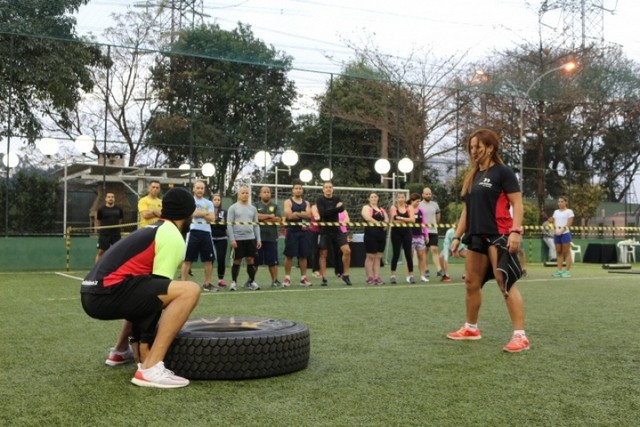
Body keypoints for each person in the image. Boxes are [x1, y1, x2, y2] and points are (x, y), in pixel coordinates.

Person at [81, 187, 200, 388]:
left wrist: (135, 339)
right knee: (189, 290)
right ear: (187, 213)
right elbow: (156, 299)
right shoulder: (172, 235)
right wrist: (144, 343)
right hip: (106, 293)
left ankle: (119, 352)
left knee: (141, 288)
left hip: (92, 293)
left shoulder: (153, 228)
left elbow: (144, 293)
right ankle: (151, 368)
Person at [448, 128, 528, 353]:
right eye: (471, 147)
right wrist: (456, 236)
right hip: (475, 236)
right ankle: (471, 328)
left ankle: (520, 336)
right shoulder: (473, 175)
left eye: (478, 147)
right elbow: (467, 209)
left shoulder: (503, 172)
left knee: (505, 283)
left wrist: (515, 231)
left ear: (490, 147)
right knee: (471, 283)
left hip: (499, 234)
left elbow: (517, 204)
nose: (474, 151)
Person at [180, 180, 216, 291]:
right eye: (198, 188)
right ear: (194, 189)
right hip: (192, 233)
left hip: (206, 233)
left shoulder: (209, 203)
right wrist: (205, 213)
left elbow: (212, 218)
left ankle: (207, 284)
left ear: (204, 190)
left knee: (208, 260)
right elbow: (191, 214)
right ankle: (183, 284)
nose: (200, 190)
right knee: (187, 260)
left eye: (202, 188)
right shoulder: (189, 201)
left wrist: (199, 213)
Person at [316, 181, 352, 286]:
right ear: (323, 189)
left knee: (347, 251)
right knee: (323, 254)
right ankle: (324, 278)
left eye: (330, 187)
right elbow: (323, 213)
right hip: (324, 230)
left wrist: (332, 210)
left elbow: (342, 209)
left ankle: (346, 275)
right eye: (326, 187)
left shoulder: (337, 198)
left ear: (333, 189)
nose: (328, 189)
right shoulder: (320, 199)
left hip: (337, 229)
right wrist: (336, 209)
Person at [227, 185, 262, 291]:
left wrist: (258, 239)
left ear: (249, 194)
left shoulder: (253, 209)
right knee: (237, 260)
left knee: (250, 260)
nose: (245, 195)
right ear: (238, 194)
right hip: (237, 238)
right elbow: (229, 225)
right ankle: (234, 282)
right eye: (243, 193)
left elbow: (256, 225)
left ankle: (251, 282)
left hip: (250, 238)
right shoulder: (233, 208)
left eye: (247, 193)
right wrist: (232, 239)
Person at [283, 182, 313, 287]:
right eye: (296, 188)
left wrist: (297, 213)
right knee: (289, 255)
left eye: (300, 188)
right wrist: (301, 214)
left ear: (302, 190)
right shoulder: (288, 202)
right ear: (293, 190)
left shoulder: (307, 202)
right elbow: (289, 216)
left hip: (304, 231)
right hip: (292, 231)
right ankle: (287, 278)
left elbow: (309, 215)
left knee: (303, 255)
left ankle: (303, 278)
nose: (298, 190)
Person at [254, 186, 282, 288]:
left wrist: (262, 218)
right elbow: (255, 216)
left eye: (268, 192)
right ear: (260, 194)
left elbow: (278, 219)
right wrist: (269, 216)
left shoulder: (275, 206)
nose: (266, 194)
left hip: (271, 237)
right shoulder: (255, 205)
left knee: (273, 261)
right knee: (255, 261)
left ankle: (275, 281)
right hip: (258, 238)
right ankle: (251, 280)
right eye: (264, 192)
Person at [361, 192, 388, 285]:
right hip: (370, 234)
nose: (374, 198)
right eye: (372, 197)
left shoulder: (382, 210)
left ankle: (377, 277)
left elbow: (387, 220)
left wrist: (385, 225)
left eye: (375, 197)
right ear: (369, 199)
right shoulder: (366, 207)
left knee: (378, 257)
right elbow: (367, 217)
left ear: (378, 198)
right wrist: (378, 223)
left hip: (381, 235)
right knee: (370, 256)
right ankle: (370, 277)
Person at [388, 192, 415, 284]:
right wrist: (404, 219)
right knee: (396, 254)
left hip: (407, 233)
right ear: (396, 199)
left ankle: (411, 275)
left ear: (405, 198)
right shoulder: (393, 207)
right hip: (396, 233)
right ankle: (393, 276)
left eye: (402, 197)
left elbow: (412, 220)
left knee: (408, 254)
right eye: (399, 197)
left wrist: (401, 218)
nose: (401, 199)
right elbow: (394, 220)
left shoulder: (409, 207)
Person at [420, 187, 443, 279]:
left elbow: (438, 216)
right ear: (423, 195)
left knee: (434, 249)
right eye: (426, 194)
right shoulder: (419, 205)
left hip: (433, 231)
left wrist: (435, 225)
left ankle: (439, 270)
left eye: (430, 194)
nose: (428, 195)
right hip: (423, 231)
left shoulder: (435, 205)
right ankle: (426, 270)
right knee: (425, 250)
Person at [95, 191, 123, 263]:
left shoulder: (118, 209)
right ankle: (96, 269)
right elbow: (98, 220)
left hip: (116, 233)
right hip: (104, 233)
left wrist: (117, 228)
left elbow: (120, 220)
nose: (111, 198)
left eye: (112, 197)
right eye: (109, 197)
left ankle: (116, 269)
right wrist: (99, 229)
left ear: (114, 199)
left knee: (118, 251)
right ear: (106, 199)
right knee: (101, 251)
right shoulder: (101, 209)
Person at [552, 196, 575, 278]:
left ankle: (567, 271)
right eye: (559, 202)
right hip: (556, 234)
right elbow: (554, 223)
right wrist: (555, 231)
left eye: (562, 201)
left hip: (565, 234)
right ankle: (559, 270)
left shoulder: (569, 211)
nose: (560, 203)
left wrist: (561, 231)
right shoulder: (555, 212)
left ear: (566, 202)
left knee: (567, 252)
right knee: (559, 252)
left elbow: (569, 223)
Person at [410, 193, 430, 282]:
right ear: (412, 201)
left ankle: (422, 276)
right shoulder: (408, 210)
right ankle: (410, 276)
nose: (418, 203)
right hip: (410, 236)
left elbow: (424, 224)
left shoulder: (421, 211)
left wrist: (426, 235)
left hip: (420, 236)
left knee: (421, 256)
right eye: (417, 201)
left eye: (419, 201)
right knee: (409, 257)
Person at [210, 194, 229, 288]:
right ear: (212, 201)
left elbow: (225, 225)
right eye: (215, 199)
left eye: (218, 199)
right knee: (210, 260)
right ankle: (208, 280)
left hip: (222, 238)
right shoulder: (208, 211)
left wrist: (217, 222)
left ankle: (221, 279)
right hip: (211, 238)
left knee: (221, 259)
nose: (217, 201)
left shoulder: (224, 212)